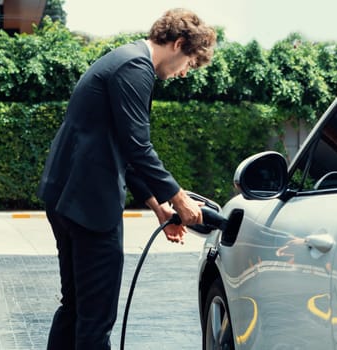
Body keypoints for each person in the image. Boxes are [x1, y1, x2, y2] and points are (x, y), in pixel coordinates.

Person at [37, 8, 216, 350]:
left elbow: (123, 146)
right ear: (178, 44)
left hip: (67, 198)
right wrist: (179, 198)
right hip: (89, 204)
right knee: (96, 317)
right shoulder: (136, 68)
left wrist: (159, 207)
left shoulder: (124, 60)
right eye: (189, 64)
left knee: (75, 307)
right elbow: (138, 147)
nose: (183, 74)